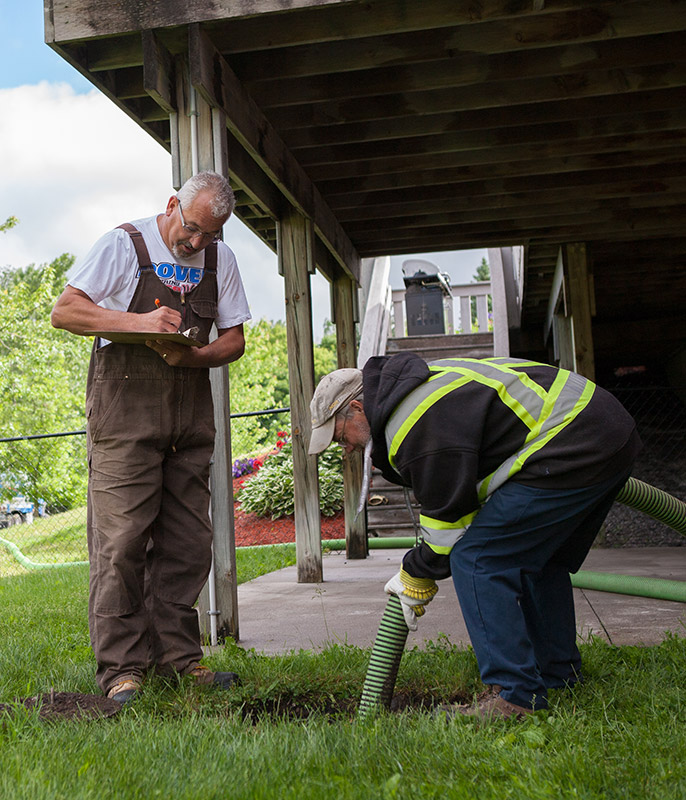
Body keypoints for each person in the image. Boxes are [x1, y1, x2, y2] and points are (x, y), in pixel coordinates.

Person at [308, 353, 641, 720]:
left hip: (574, 440)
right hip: (603, 428)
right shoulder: (421, 389)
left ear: (356, 408)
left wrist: (414, 571)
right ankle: (558, 675)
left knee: (478, 559)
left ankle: (515, 696)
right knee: (537, 561)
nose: (348, 450)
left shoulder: (415, 424)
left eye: (342, 439)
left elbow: (446, 531)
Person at [51, 171, 251, 704]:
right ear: (172, 206)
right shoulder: (124, 243)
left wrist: (196, 356)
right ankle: (122, 669)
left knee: (188, 546)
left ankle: (179, 660)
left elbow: (234, 338)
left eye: (211, 235)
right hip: (124, 420)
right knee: (120, 546)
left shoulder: (219, 260)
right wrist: (141, 324)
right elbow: (65, 311)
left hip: (189, 422)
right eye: (192, 230)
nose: (198, 243)